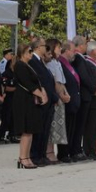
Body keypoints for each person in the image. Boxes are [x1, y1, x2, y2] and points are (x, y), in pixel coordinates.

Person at [13, 43, 48, 169]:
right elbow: (27, 84)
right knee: (26, 130)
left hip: (30, 99)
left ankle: (27, 156)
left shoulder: (28, 65)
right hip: (24, 100)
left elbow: (37, 82)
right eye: (29, 51)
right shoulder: (19, 65)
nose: (31, 54)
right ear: (22, 53)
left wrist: (42, 91)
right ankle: (23, 157)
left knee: (31, 130)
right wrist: (41, 95)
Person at [28, 39, 59, 167]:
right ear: (37, 48)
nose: (46, 48)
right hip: (41, 100)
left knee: (45, 129)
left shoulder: (41, 62)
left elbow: (48, 80)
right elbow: (40, 81)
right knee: (39, 129)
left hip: (49, 100)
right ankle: (35, 155)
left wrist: (54, 97)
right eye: (43, 46)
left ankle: (42, 154)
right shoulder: (33, 61)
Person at [44, 39, 69, 163]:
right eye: (58, 47)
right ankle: (49, 151)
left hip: (61, 96)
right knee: (52, 126)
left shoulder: (57, 62)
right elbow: (55, 82)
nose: (60, 49)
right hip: (55, 97)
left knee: (58, 126)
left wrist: (66, 93)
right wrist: (61, 94)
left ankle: (52, 151)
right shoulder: (50, 63)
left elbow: (62, 81)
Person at [56, 41, 80, 163]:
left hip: (73, 100)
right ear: (65, 51)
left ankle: (70, 150)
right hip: (66, 99)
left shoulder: (69, 64)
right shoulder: (61, 63)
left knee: (72, 128)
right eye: (72, 50)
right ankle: (63, 153)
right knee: (66, 127)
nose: (74, 52)